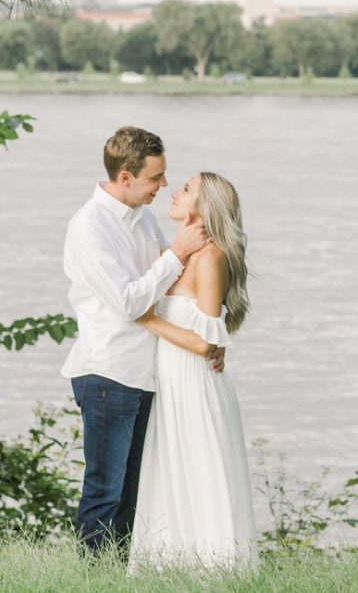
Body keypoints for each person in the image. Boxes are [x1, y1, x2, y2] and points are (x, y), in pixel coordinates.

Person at [60, 126, 220, 555]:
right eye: (155, 177)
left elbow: (167, 290)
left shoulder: (144, 218)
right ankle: (94, 578)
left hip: (148, 372)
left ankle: (121, 575)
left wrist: (208, 334)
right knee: (105, 490)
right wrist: (178, 252)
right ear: (126, 177)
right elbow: (131, 302)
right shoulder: (89, 228)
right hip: (108, 372)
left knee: (134, 494)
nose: (164, 185)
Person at [128, 171, 257, 573]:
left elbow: (204, 342)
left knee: (203, 474)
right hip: (168, 384)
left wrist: (148, 320)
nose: (174, 192)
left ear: (206, 206)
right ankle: (168, 568)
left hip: (196, 385)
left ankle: (218, 571)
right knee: (169, 473)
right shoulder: (177, 254)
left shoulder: (211, 258)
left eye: (186, 189)